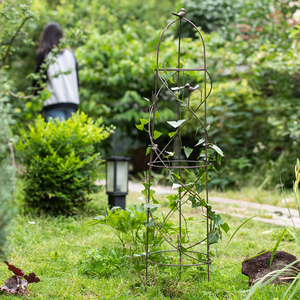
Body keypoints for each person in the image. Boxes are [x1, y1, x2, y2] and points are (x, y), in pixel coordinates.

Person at [33, 22, 79, 121]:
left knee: (57, 135)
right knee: (70, 135)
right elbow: (76, 80)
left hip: (53, 102)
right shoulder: (70, 55)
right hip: (72, 101)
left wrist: (35, 101)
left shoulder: (45, 54)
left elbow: (38, 81)